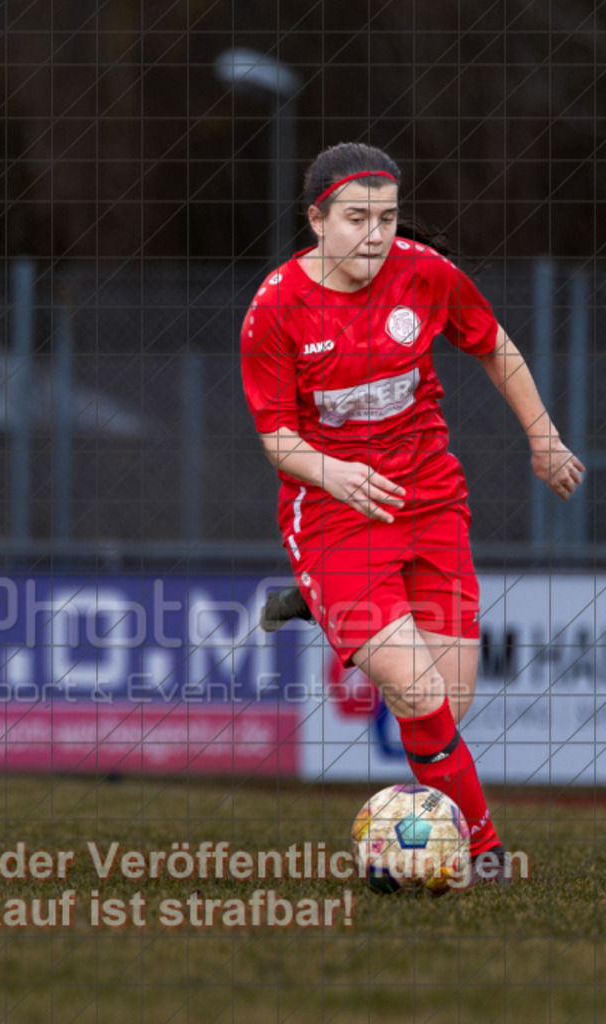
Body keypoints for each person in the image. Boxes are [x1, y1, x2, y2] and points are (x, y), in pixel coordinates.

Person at [240, 142, 584, 884]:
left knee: (443, 709)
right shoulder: (275, 309)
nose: (374, 234)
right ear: (317, 220)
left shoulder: (426, 274)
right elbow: (277, 440)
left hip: (430, 501)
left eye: (386, 218)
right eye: (356, 218)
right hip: (334, 516)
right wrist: (337, 472)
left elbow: (495, 345)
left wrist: (545, 440)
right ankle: (483, 852)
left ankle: (320, 606)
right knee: (418, 694)